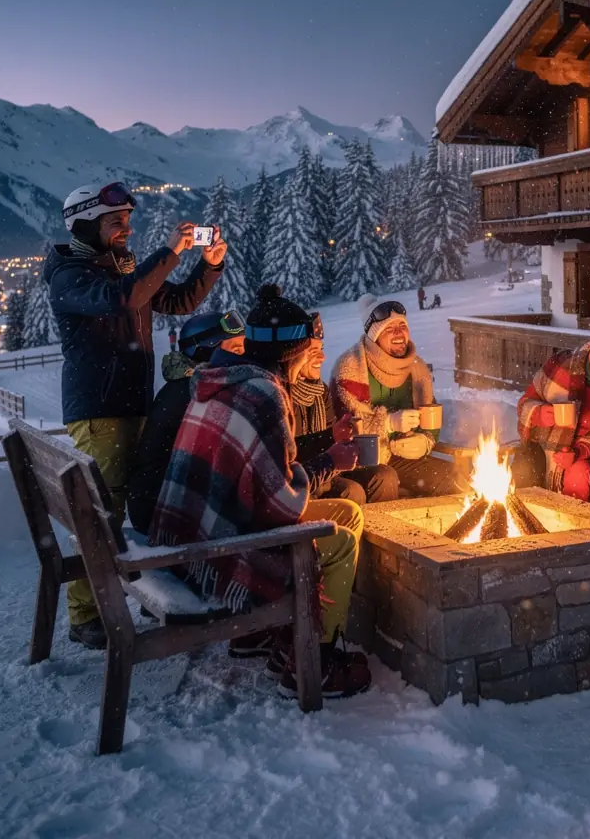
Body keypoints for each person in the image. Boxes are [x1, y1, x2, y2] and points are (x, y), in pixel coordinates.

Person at [150, 284, 371, 698]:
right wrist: (332, 463)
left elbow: (257, 477)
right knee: (337, 542)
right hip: (219, 552)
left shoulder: (220, 378)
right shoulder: (265, 392)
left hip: (197, 528)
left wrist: (323, 454)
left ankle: (264, 637)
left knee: (347, 511)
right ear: (293, 353)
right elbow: (281, 501)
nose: (311, 358)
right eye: (307, 351)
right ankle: (311, 661)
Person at [46, 182, 225, 650]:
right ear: (85, 225)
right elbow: (124, 298)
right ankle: (86, 614)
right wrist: (168, 251)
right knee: (102, 512)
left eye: (127, 220)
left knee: (135, 503)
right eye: (114, 222)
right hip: (100, 410)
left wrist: (209, 266)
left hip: (132, 404)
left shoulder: (122, 266)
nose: (126, 229)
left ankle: (141, 592)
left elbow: (176, 302)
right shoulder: (71, 275)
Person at [127, 310, 246, 534]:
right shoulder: (196, 393)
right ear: (206, 351)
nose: (244, 356)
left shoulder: (189, 384)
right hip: (164, 514)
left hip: (160, 503)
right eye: (236, 349)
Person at [331, 295, 464, 497]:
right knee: (386, 479)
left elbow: (432, 417)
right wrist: (388, 424)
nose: (399, 332)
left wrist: (425, 441)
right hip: (361, 461)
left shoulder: (417, 370)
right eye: (389, 328)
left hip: (403, 458)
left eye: (402, 325)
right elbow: (345, 429)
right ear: (374, 335)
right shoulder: (351, 368)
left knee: (453, 478)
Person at [512, 320, 590, 504]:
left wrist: (579, 452)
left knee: (581, 472)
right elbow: (524, 403)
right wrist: (539, 413)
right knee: (527, 463)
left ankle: (571, 524)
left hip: (584, 453)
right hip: (543, 443)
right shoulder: (561, 364)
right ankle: (523, 516)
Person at [291, 312, 399, 504]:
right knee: (351, 493)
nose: (323, 357)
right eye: (313, 351)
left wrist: (340, 435)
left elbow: (330, 436)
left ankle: (382, 532)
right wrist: (331, 442)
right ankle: (354, 533)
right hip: (303, 476)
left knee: (385, 476)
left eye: (322, 349)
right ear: (293, 354)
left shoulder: (319, 391)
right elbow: (288, 453)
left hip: (330, 467)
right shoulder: (282, 394)